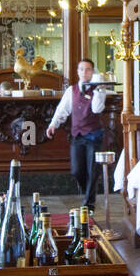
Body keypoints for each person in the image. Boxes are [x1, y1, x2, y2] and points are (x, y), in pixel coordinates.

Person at [46, 59, 110, 209]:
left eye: (88, 70)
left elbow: (96, 109)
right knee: (77, 171)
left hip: (93, 135)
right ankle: (88, 191)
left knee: (92, 171)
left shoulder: (99, 90)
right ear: (77, 71)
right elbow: (62, 110)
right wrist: (53, 125)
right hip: (78, 135)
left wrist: (98, 91)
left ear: (92, 72)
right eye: (81, 69)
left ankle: (89, 204)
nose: (84, 72)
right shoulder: (71, 90)